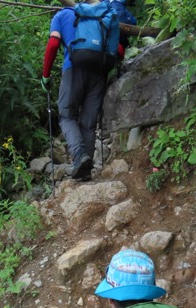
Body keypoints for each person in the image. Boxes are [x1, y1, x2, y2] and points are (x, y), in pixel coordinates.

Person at [41, 1, 123, 181]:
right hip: (99, 74)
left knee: (67, 115)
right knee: (88, 123)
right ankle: (85, 172)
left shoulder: (62, 15)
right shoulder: (103, 16)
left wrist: (46, 75)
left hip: (73, 69)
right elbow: (118, 49)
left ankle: (79, 156)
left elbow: (54, 43)